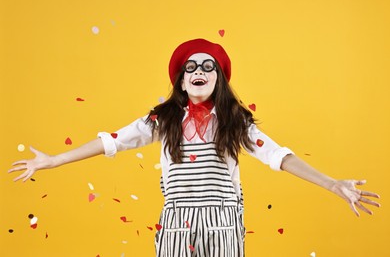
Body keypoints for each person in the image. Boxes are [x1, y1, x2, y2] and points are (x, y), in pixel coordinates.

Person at [8, 39, 380, 257]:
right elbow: (112, 141)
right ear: (181, 80)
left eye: (208, 66)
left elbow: (279, 156)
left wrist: (333, 184)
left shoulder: (236, 122)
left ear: (218, 77)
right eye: (191, 67)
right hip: (176, 223)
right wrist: (54, 160)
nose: (199, 70)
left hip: (223, 222)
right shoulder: (162, 121)